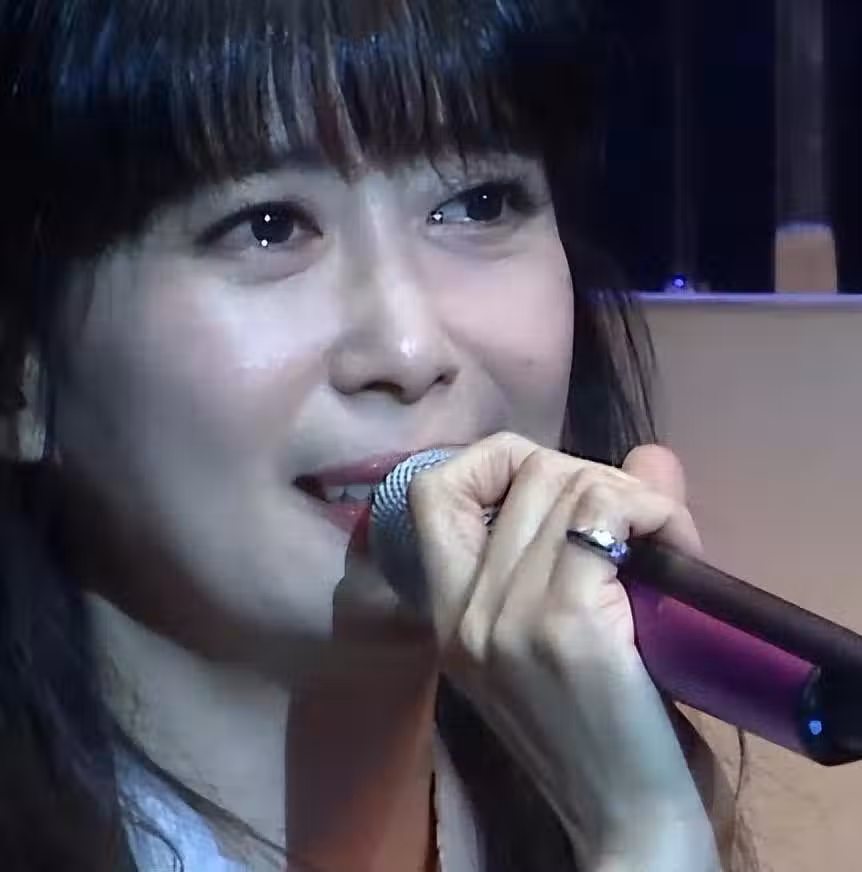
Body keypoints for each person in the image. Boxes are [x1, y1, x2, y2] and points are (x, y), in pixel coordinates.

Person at [0, 1, 757, 870]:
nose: (408, 350)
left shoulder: (602, 797)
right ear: (20, 373)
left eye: (477, 204)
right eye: (268, 226)